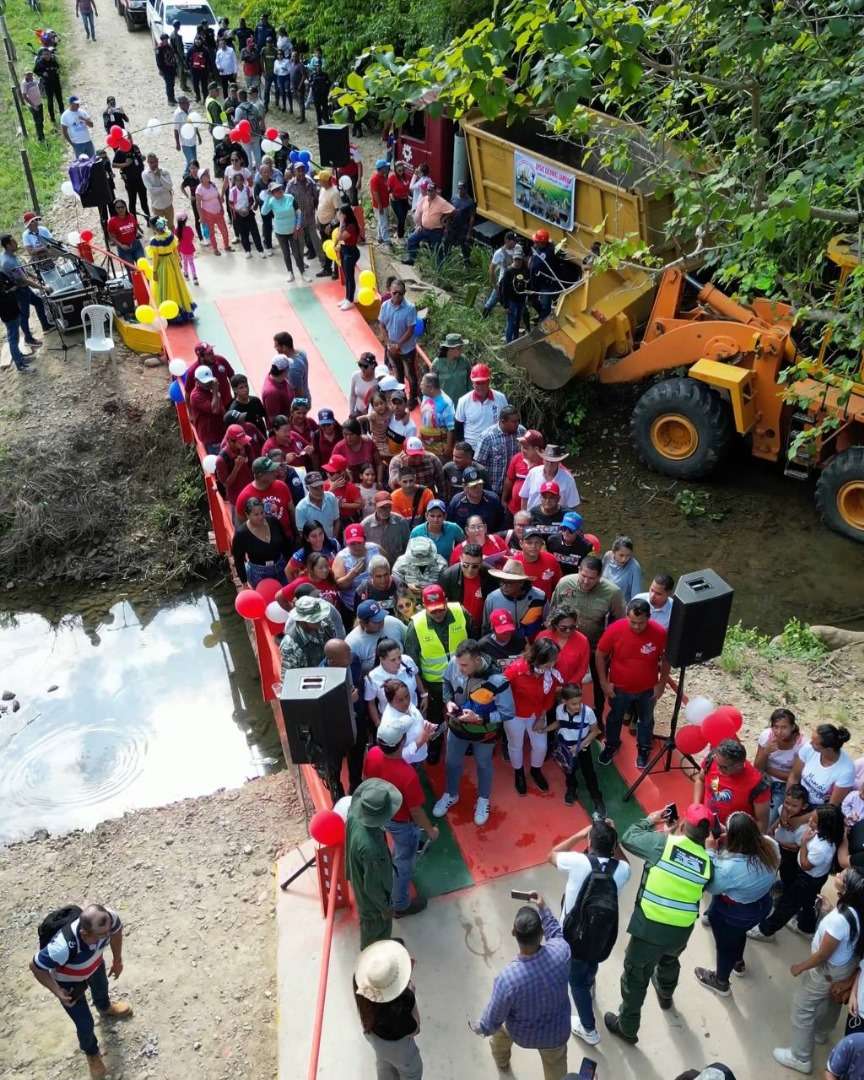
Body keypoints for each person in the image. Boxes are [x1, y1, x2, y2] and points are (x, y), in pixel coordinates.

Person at [604, 804, 713, 1045]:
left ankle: (627, 1028)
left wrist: (651, 820)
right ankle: (665, 994)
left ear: (683, 824)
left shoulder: (663, 844)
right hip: (681, 931)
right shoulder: (708, 863)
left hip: (650, 928)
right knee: (669, 960)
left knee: (635, 977)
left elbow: (630, 837)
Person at [469, 893, 571, 1079]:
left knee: (499, 1033)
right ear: (541, 933)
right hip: (557, 1033)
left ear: (513, 933)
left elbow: (493, 1018)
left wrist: (481, 1027)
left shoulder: (508, 980)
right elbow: (557, 933)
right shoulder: (562, 951)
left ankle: (502, 1062)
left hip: (523, 1035)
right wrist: (543, 907)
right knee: (556, 1065)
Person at [773, 868, 864, 1074]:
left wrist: (800, 967)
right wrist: (828, 910)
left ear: (847, 888)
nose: (838, 874)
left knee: (802, 1006)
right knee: (832, 1000)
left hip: (827, 970)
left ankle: (800, 1056)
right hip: (846, 966)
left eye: (842, 876)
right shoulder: (856, 909)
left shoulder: (838, 920)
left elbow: (822, 955)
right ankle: (822, 1032)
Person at [548, 819, 630, 1045]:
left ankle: (589, 1030)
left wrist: (579, 834)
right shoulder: (622, 870)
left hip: (574, 937)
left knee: (575, 983)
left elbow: (551, 855)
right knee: (590, 964)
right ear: (612, 846)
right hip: (602, 935)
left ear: (590, 842)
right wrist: (614, 841)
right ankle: (590, 982)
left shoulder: (578, 862)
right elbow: (626, 863)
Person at [30, 903, 130, 1080]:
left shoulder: (109, 918)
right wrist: (58, 991)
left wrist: (117, 959)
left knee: (101, 987)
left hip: (95, 964)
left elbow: (116, 932)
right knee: (85, 1024)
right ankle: (92, 1054)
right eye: (101, 935)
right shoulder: (61, 948)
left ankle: (105, 1008)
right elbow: (36, 967)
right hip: (68, 982)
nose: (107, 936)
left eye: (108, 931)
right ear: (85, 934)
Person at [692, 810, 779, 998]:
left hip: (732, 912)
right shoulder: (770, 844)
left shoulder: (729, 867)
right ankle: (738, 962)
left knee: (724, 946)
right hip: (761, 904)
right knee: (738, 935)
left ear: (733, 837)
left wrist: (710, 852)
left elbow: (712, 887)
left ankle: (721, 982)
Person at [364, 709, 439, 917]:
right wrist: (430, 830)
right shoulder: (407, 775)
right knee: (403, 863)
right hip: (402, 822)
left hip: (383, 813)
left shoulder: (373, 754)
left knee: (396, 852)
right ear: (401, 742)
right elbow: (416, 811)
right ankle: (400, 904)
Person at [434, 638, 515, 826]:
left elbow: (508, 712)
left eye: (464, 665)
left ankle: (483, 800)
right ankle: (451, 794)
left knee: (483, 765)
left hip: (484, 733)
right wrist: (448, 701)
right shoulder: (455, 663)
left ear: (477, 660)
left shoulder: (498, 680)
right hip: (456, 728)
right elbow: (446, 682)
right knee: (452, 763)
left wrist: (481, 719)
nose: (460, 670)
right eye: (458, 664)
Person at [750, 804, 845, 942]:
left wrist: (804, 843)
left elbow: (806, 865)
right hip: (817, 877)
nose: (809, 822)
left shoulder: (822, 848)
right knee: (808, 902)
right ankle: (806, 927)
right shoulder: (828, 836)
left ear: (824, 825)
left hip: (807, 878)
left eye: (814, 821)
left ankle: (766, 931)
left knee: (787, 905)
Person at [550, 555, 626, 728]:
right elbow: (553, 611)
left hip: (595, 646)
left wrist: (611, 647)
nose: (585, 581)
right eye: (583, 576)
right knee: (561, 680)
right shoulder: (564, 583)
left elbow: (620, 623)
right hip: (566, 643)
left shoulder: (612, 593)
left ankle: (597, 719)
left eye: (591, 578)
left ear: (600, 577)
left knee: (600, 683)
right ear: (578, 570)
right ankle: (559, 717)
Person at [595, 597, 669, 770]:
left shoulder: (659, 632)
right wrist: (604, 682)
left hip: (648, 688)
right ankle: (612, 744)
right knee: (614, 718)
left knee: (646, 720)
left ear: (649, 618)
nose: (636, 626)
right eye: (632, 622)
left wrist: (661, 684)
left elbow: (666, 660)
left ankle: (644, 749)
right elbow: (600, 654)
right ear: (627, 616)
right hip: (619, 688)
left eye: (641, 623)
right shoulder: (614, 629)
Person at [403, 584, 470, 762]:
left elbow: (473, 639)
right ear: (424, 606)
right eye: (433, 611)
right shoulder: (415, 626)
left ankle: (466, 741)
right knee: (433, 718)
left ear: (446, 602)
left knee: (463, 710)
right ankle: (434, 747)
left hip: (462, 677)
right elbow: (412, 660)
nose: (438, 614)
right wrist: (422, 690)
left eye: (441, 609)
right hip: (433, 684)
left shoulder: (461, 613)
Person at [353, 939, 423, 1080]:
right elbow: (416, 1030)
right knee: (412, 1074)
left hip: (377, 1043)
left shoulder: (361, 988)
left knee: (384, 1068)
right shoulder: (403, 1002)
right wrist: (411, 994)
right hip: (401, 1053)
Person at [346, 779, 402, 948]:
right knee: (376, 929)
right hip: (372, 903)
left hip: (358, 875)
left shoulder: (354, 814)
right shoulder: (372, 850)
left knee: (372, 927)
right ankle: (372, 962)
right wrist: (385, 908)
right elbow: (372, 887)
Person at [504, 638, 562, 795]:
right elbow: (502, 690)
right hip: (515, 715)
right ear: (538, 658)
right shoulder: (515, 670)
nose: (552, 665)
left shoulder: (550, 674)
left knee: (541, 746)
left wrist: (542, 715)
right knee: (515, 745)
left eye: (554, 661)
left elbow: (549, 695)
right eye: (549, 662)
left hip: (537, 714)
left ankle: (536, 770)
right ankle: (519, 773)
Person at [547, 682, 606, 814]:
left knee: (588, 772)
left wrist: (579, 746)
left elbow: (595, 731)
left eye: (579, 702)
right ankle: (571, 788)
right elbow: (559, 723)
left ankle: (596, 796)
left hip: (582, 747)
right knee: (569, 770)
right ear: (564, 701)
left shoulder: (588, 712)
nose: (578, 706)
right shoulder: (559, 710)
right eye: (574, 704)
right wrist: (545, 729)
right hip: (565, 748)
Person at [694, 737, 771, 832]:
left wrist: (735, 840)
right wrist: (696, 806)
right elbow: (700, 780)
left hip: (735, 836)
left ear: (739, 765)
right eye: (717, 763)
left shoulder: (758, 784)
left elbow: (762, 823)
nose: (717, 768)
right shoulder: (713, 759)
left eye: (723, 767)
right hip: (705, 824)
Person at [786, 724, 857, 808]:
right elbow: (794, 777)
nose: (810, 743)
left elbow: (831, 806)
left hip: (819, 809)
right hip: (796, 799)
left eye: (815, 743)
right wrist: (787, 804)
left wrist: (796, 820)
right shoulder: (809, 748)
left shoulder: (846, 770)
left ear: (828, 749)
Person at [754, 707, 804, 820]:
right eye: (775, 727)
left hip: (782, 785)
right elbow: (757, 768)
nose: (779, 732)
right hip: (763, 779)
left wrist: (768, 769)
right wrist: (766, 752)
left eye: (784, 727)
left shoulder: (801, 745)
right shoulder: (767, 736)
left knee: (768, 818)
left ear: (792, 727)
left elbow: (794, 776)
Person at [231, 496, 293, 587]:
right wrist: (244, 582)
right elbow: (238, 559)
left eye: (262, 513)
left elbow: (285, 544)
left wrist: (291, 564)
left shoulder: (273, 521)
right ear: (247, 515)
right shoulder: (241, 534)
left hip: (281, 566)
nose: (260, 517)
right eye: (256, 514)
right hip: (259, 573)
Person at [0, 235, 52, 342]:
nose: (16, 243)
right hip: (20, 291)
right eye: (13, 241)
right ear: (8, 245)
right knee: (24, 315)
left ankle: (46, 326)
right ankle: (28, 339)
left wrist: (34, 276)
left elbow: (21, 270)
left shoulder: (8, 256)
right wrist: (43, 288)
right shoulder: (8, 262)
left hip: (23, 288)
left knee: (38, 302)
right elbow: (24, 280)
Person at [379, 280, 421, 406]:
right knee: (398, 374)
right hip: (392, 349)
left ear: (404, 293)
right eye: (395, 293)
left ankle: (413, 398)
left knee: (411, 375)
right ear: (390, 291)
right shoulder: (385, 306)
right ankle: (401, 397)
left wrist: (398, 344)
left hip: (407, 349)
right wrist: (388, 343)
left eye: (401, 293)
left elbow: (410, 329)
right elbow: (381, 325)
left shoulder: (410, 308)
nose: (397, 296)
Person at [454, 364, 509, 451]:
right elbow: (458, 426)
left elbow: (507, 420)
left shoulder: (500, 398)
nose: (480, 386)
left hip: (496, 447)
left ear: (488, 381)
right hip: (471, 448)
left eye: (483, 383)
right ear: (472, 383)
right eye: (477, 383)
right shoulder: (463, 401)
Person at [235, 456, 295, 535]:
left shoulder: (282, 486)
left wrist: (296, 534)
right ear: (260, 475)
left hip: (287, 539)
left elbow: (292, 511)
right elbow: (241, 526)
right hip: (262, 543)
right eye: (271, 471)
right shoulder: (244, 497)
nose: (275, 472)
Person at [149, 216, 194, 321]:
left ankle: (166, 311)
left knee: (164, 285)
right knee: (177, 284)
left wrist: (155, 271)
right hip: (172, 262)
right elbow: (175, 250)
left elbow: (155, 258)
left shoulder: (154, 241)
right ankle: (181, 307)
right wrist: (178, 261)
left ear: (153, 227)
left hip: (163, 265)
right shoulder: (171, 236)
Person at [474, 406, 526, 496]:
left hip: (514, 489)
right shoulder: (487, 437)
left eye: (518, 421)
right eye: (514, 422)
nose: (517, 424)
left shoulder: (521, 432)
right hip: (492, 490)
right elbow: (478, 464)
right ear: (503, 421)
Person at [333, 524, 381, 619]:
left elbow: (388, 568)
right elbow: (338, 585)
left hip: (376, 602)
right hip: (352, 607)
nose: (356, 547)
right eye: (352, 543)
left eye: (359, 542)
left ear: (364, 540)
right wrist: (352, 575)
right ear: (346, 543)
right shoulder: (342, 558)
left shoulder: (375, 549)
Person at [261, 179, 304, 282]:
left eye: (279, 189)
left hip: (293, 230)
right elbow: (263, 212)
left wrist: (297, 227)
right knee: (286, 253)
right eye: (275, 190)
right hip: (280, 232)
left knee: (297, 253)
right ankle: (290, 273)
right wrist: (267, 198)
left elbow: (298, 212)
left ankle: (303, 272)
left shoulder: (290, 198)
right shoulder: (271, 201)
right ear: (272, 193)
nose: (278, 191)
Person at [279, 594, 334, 674]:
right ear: (301, 620)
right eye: (315, 619)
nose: (320, 620)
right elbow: (288, 678)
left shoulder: (325, 624)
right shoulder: (290, 644)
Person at [404, 179, 454, 265]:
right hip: (423, 229)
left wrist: (444, 219)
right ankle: (411, 258)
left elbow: (453, 210)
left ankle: (439, 269)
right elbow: (419, 213)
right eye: (428, 190)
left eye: (431, 191)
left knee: (436, 249)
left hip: (435, 231)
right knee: (411, 239)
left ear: (435, 191)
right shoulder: (424, 199)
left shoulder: (441, 202)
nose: (429, 192)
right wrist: (418, 225)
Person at [521, 443, 580, 510]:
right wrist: (525, 515)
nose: (549, 464)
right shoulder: (533, 473)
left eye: (553, 462)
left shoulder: (568, 479)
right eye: (547, 461)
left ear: (558, 462)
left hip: (558, 518)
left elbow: (573, 505)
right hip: (533, 517)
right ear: (543, 460)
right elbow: (524, 497)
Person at [287, 162, 322, 274]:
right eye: (298, 170)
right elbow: (288, 201)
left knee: (316, 240)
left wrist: (317, 213)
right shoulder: (291, 184)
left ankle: (323, 262)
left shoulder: (310, 182)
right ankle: (301, 264)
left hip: (310, 216)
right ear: (294, 172)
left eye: (302, 169)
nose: (301, 172)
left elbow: (316, 198)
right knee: (300, 243)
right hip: (298, 219)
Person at [446, 468, 506, 532]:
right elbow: (450, 525)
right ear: (465, 487)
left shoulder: (493, 499)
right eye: (473, 486)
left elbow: (501, 523)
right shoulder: (456, 501)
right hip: (464, 539)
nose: (477, 489)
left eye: (480, 485)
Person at [361, 491, 411, 566]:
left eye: (388, 507)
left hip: (397, 566)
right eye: (382, 507)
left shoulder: (401, 522)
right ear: (375, 506)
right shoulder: (365, 525)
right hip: (375, 568)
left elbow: (407, 546)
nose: (386, 510)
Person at [504, 428, 545, 517]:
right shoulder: (517, 458)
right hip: (513, 510)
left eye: (526, 448)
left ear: (536, 449)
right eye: (521, 446)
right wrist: (503, 500)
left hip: (537, 514)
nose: (522, 450)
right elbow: (509, 479)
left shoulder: (547, 463)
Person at [513, 527, 561, 600]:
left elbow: (558, 585)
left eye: (537, 542)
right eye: (529, 543)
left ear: (542, 544)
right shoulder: (514, 563)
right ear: (521, 544)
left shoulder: (551, 560)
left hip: (545, 606)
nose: (533, 546)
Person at [417, 371, 456, 459]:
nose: (420, 386)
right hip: (425, 445)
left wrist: (448, 448)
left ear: (430, 388)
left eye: (422, 384)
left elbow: (451, 428)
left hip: (440, 447)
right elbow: (424, 417)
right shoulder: (425, 396)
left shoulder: (446, 403)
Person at [228, 171, 265, 258]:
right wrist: (238, 210)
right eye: (237, 180)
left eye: (240, 180)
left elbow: (251, 200)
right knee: (243, 233)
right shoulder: (232, 191)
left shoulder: (247, 189)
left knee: (254, 232)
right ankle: (247, 251)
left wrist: (248, 209)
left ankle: (260, 250)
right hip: (238, 214)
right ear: (235, 181)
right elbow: (230, 203)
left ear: (243, 181)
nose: (239, 182)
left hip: (248, 213)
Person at [295, 471, 341, 539]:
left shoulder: (331, 497)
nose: (320, 491)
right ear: (308, 488)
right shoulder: (301, 508)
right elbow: (302, 532)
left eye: (321, 486)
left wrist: (334, 539)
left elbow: (336, 520)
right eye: (315, 488)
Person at [499, 245, 530, 342]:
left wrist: (527, 298)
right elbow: (504, 289)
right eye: (516, 259)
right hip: (511, 301)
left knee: (517, 322)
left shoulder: (525, 270)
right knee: (510, 323)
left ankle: (515, 340)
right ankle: (508, 342)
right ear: (513, 259)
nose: (517, 261)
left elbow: (527, 284)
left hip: (521, 300)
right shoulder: (508, 271)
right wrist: (506, 305)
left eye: (519, 259)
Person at [482, 231, 517, 316]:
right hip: (502, 284)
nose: (515, 242)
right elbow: (491, 270)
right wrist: (495, 286)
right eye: (512, 240)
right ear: (507, 240)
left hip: (514, 284)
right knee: (491, 303)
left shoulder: (517, 250)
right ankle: (482, 318)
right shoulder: (499, 253)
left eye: (515, 240)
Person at [432, 332, 473, 406]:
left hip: (463, 404)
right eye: (459, 348)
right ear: (450, 349)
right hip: (445, 406)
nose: (461, 350)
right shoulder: (437, 364)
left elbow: (470, 380)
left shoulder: (464, 361)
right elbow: (432, 386)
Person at [112, 140, 149, 220]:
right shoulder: (120, 151)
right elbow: (114, 164)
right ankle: (133, 222)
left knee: (144, 201)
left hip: (141, 179)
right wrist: (125, 164)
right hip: (130, 182)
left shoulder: (135, 147)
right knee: (132, 202)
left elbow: (139, 157)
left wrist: (142, 158)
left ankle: (149, 220)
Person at [602, 536, 642, 603]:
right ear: (614, 552)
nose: (624, 559)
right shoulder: (607, 557)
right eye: (621, 555)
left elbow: (636, 596)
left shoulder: (634, 567)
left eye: (628, 555)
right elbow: (599, 577)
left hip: (621, 607)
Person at [337, 204, 361, 308]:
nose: (339, 215)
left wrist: (341, 222)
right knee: (347, 277)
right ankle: (347, 297)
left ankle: (350, 300)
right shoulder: (346, 224)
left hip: (350, 252)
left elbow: (339, 237)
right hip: (344, 250)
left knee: (350, 277)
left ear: (345, 215)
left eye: (340, 213)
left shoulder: (351, 226)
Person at [446, 180, 476, 262]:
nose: (460, 190)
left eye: (462, 188)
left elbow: (472, 218)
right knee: (448, 244)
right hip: (453, 226)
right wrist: (447, 226)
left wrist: (469, 233)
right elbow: (450, 212)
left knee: (465, 247)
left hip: (463, 228)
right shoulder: (454, 198)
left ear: (466, 189)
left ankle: (467, 263)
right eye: (459, 188)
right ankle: (447, 261)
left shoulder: (470, 202)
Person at [143, 155, 174, 228]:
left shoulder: (164, 171)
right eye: (151, 162)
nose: (153, 164)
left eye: (155, 162)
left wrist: (160, 176)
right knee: (160, 229)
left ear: (157, 160)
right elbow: (152, 191)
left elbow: (169, 186)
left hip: (168, 205)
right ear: (148, 162)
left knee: (170, 227)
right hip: (157, 207)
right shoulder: (145, 174)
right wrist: (164, 188)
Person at [387, 161, 412, 240]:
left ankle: (400, 232)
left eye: (402, 170)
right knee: (401, 217)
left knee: (403, 218)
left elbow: (408, 187)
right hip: (396, 200)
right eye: (399, 170)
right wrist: (390, 195)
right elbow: (388, 189)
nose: (401, 172)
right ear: (395, 170)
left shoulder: (406, 176)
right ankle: (400, 236)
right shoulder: (392, 177)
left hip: (405, 200)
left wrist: (409, 196)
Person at [370, 159, 392, 245]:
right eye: (386, 166)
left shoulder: (383, 176)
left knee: (381, 221)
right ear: (382, 168)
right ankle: (386, 240)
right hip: (380, 205)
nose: (387, 167)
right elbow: (375, 193)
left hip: (384, 203)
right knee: (384, 222)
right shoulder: (375, 179)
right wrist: (380, 205)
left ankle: (380, 237)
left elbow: (383, 189)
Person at [20, 72, 46, 142]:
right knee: (38, 121)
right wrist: (33, 105)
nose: (31, 77)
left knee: (41, 119)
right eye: (29, 76)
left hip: (39, 103)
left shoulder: (34, 80)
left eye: (31, 75)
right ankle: (40, 138)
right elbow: (24, 96)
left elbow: (39, 87)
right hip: (33, 105)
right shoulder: (24, 84)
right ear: (26, 76)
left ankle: (42, 134)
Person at [174, 212, 198, 284]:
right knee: (191, 263)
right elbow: (192, 236)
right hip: (190, 249)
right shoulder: (189, 229)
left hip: (182, 250)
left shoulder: (176, 231)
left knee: (185, 262)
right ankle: (194, 277)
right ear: (186, 220)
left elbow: (176, 242)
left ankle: (186, 275)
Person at [155, 34, 179, 104]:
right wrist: (161, 70)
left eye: (167, 39)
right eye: (165, 39)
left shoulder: (168, 46)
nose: (166, 40)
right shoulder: (159, 48)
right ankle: (170, 100)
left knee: (172, 84)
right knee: (169, 84)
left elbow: (173, 56)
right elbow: (158, 61)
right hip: (165, 69)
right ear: (162, 40)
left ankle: (173, 98)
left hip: (171, 68)